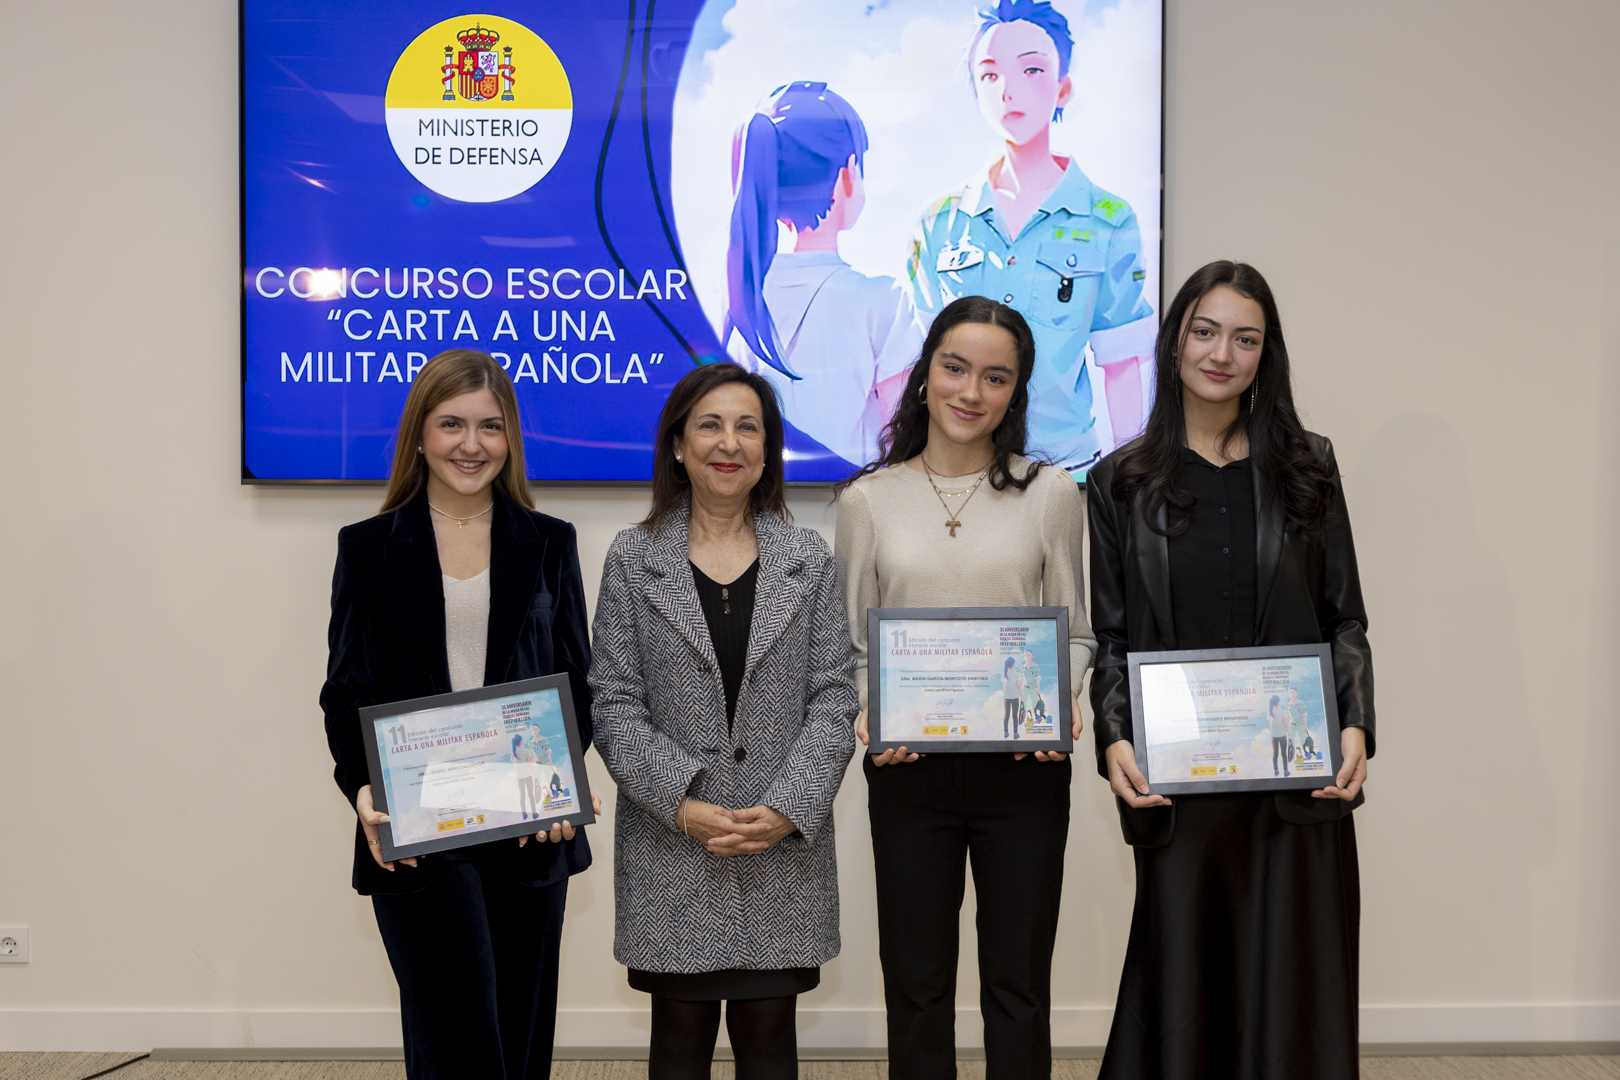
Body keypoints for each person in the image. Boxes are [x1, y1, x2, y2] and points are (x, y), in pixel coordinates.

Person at [1086, 261, 1374, 1079]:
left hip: (1294, 775)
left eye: (1245, 338)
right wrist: (1114, 740)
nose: (1222, 353)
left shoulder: (1308, 466)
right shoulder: (1120, 480)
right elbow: (1112, 636)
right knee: (1184, 986)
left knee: (1295, 983)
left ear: (1265, 356)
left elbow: (1343, 615)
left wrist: (1355, 722)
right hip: (1183, 778)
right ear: (1176, 338)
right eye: (1205, 331)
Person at [320, 349, 602, 1080]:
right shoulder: (369, 548)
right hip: (417, 826)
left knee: (518, 1033)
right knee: (457, 1036)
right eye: (451, 424)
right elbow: (346, 690)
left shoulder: (549, 543)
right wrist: (363, 789)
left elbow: (577, 680)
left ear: (510, 438)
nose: (470, 444)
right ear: (419, 435)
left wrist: (560, 780)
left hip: (528, 828)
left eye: (490, 426)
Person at [836, 295, 1095, 1080]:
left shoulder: (1052, 493)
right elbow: (851, 644)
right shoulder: (867, 502)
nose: (970, 392)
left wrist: (1061, 703)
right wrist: (871, 711)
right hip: (910, 773)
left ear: (1015, 393)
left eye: (994, 377)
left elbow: (1077, 631)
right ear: (924, 378)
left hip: (1025, 774)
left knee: (1017, 986)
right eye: (955, 368)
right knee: (917, 985)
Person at [590, 361, 859, 1080]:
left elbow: (835, 700)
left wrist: (784, 807)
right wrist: (684, 805)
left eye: (748, 426)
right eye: (709, 424)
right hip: (671, 844)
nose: (728, 442)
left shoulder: (809, 559)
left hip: (782, 847)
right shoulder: (632, 557)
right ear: (678, 444)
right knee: (678, 1043)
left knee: (770, 1042)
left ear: (769, 450)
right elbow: (613, 702)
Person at [906, 0, 1154, 473]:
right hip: (954, 477)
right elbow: (917, 367)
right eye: (990, 75)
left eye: (1032, 70)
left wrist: (1131, 486)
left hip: (1065, 476)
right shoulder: (936, 222)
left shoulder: (1110, 220)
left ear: (1063, 88)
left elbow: (1122, 364)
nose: (1008, 92)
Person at [725, 80, 922, 468]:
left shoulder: (736, 298)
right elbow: (903, 440)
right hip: (853, 509)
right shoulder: (885, 300)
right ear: (848, 174)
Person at [1267, 694, 1291, 777]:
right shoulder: (1282, 712)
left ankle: (1276, 771)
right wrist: (1290, 736)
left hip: (1273, 736)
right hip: (1282, 735)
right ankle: (1286, 771)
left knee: (1275, 753)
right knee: (1284, 753)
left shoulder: (1270, 712)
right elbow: (1286, 725)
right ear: (1278, 702)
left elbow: (1271, 724)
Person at [1002, 656, 1021, 739]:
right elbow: (1019, 687)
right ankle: (1015, 734)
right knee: (1015, 716)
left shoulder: (1004, 674)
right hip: (1015, 697)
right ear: (1013, 664)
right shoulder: (1016, 674)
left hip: (1006, 697)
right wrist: (1022, 698)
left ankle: (1006, 733)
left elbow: (1004, 686)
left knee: (1006, 715)